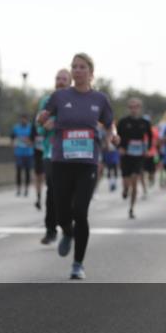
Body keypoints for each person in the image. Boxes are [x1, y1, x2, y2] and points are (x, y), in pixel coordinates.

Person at [36, 53, 116, 280]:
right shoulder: (59, 96)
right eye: (74, 67)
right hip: (61, 161)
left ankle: (78, 264)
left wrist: (111, 137)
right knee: (62, 214)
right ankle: (67, 232)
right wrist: (42, 119)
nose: (77, 70)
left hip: (88, 162)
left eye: (82, 67)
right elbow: (41, 121)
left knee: (81, 212)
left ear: (91, 73)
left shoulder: (100, 99)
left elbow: (110, 124)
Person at [36, 69, 70, 244]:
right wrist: (45, 127)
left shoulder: (75, 100)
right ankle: (50, 230)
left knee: (67, 192)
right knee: (52, 191)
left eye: (64, 79)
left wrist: (59, 125)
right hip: (51, 151)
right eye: (58, 78)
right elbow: (39, 125)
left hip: (71, 153)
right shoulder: (46, 101)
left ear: (70, 82)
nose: (60, 81)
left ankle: (66, 226)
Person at [117, 98, 151, 219]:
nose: (133, 109)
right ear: (128, 108)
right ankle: (125, 189)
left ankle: (131, 209)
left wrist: (148, 149)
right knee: (127, 183)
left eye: (136, 106)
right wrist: (119, 147)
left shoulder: (145, 122)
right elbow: (116, 137)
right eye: (131, 107)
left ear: (139, 108)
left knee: (135, 182)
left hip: (139, 156)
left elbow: (150, 137)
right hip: (126, 155)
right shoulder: (122, 122)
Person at [10, 114, 34, 197]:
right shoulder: (16, 128)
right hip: (19, 153)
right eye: (22, 119)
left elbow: (34, 139)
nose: (23, 121)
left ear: (27, 120)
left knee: (27, 172)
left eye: (25, 119)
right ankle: (18, 189)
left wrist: (29, 142)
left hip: (28, 153)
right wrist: (13, 145)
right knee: (19, 172)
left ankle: (26, 189)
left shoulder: (31, 128)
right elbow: (12, 138)